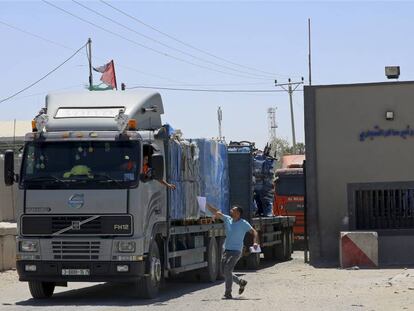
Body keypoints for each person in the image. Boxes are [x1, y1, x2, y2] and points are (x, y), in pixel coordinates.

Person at [206, 203, 259, 299]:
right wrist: (206, 204)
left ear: (238, 213)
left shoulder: (243, 223)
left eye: (233, 210)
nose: (230, 211)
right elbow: (216, 212)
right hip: (227, 249)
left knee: (227, 269)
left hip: (237, 251)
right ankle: (240, 282)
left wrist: (255, 243)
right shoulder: (227, 219)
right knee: (223, 271)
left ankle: (228, 293)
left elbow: (254, 232)